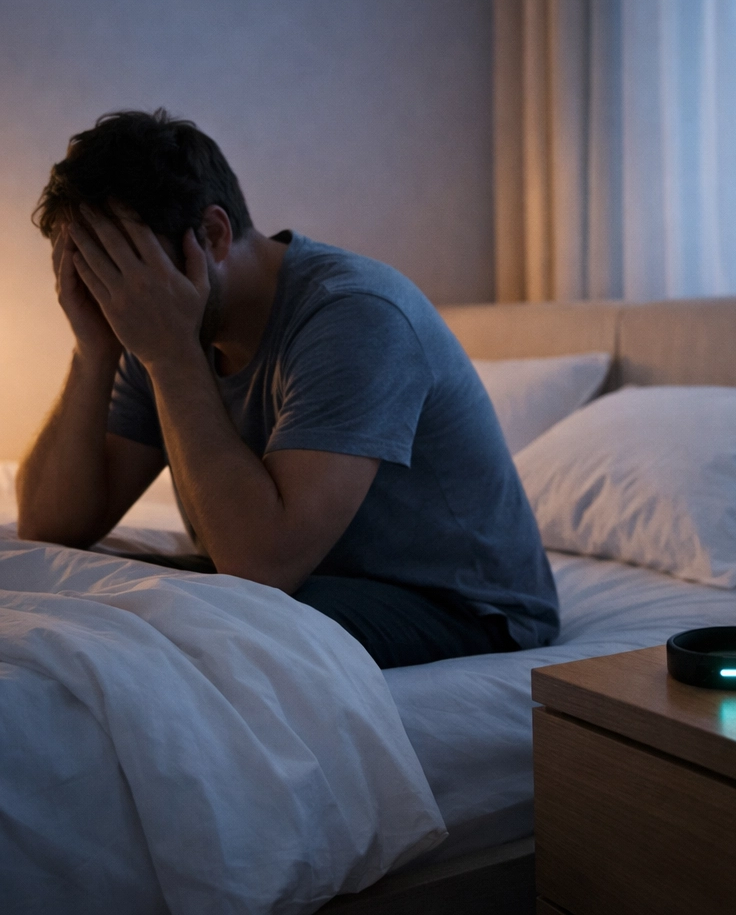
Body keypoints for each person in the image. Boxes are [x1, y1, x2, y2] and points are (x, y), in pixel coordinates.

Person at [16, 109, 559, 668]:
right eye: (90, 271)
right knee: (61, 581)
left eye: (122, 267)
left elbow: (260, 568)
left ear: (212, 236)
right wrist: (93, 349)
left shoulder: (356, 315)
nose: (114, 296)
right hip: (293, 575)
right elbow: (53, 527)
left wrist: (171, 355)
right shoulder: (157, 320)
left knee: (185, 622)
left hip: (461, 607)